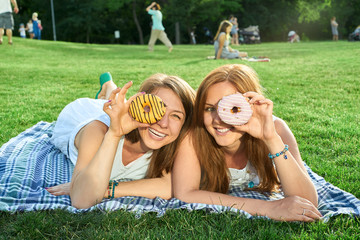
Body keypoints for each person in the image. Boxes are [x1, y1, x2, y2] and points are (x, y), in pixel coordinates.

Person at [172, 64, 322, 222]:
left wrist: (270, 139)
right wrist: (268, 208)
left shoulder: (277, 129)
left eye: (232, 109)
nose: (218, 120)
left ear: (251, 106)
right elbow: (185, 193)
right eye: (209, 109)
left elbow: (307, 203)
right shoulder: (194, 135)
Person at [47, 73, 195, 209]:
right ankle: (108, 85)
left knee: (117, 106)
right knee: (111, 107)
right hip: (82, 114)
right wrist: (114, 134)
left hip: (117, 116)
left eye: (176, 116)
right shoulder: (98, 130)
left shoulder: (172, 143)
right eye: (156, 109)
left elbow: (172, 186)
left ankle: (109, 87)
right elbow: (82, 200)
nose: (163, 123)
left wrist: (105, 189)